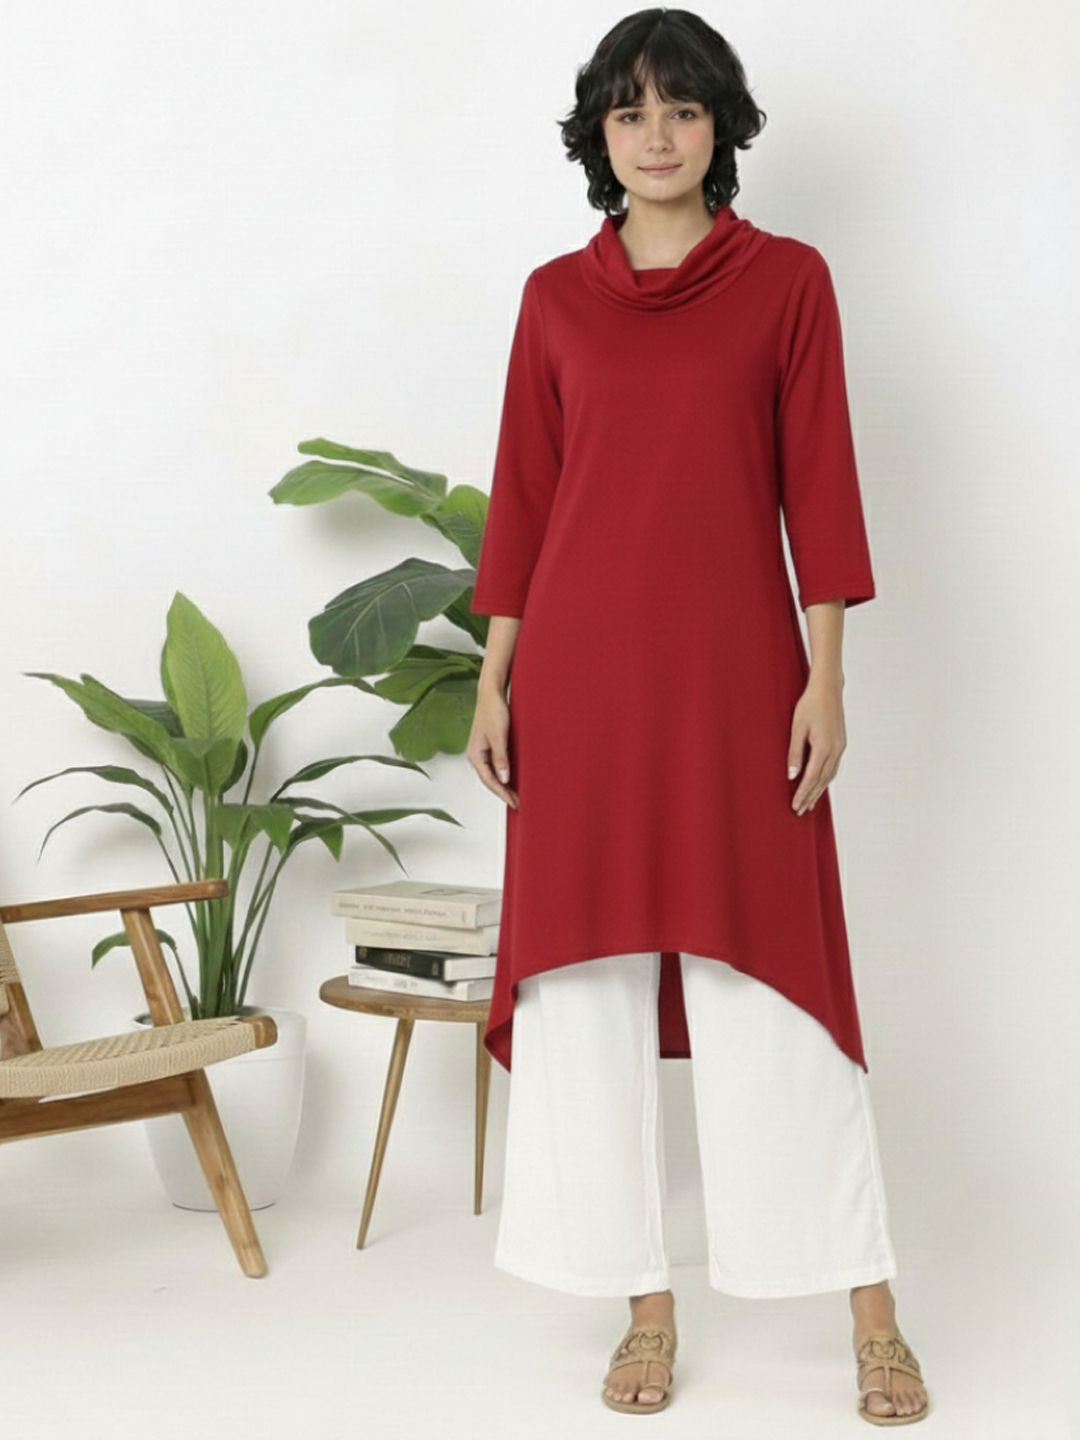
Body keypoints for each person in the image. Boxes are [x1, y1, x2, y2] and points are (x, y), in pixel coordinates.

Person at [466, 7, 930, 1425]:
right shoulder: (555, 298)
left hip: (736, 683)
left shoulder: (788, 282)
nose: (656, 135)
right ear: (599, 137)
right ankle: (644, 1310)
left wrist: (825, 676)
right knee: (586, 993)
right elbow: (526, 497)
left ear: (719, 123)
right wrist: (493, 680)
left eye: (679, 108)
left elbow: (821, 485)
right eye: (630, 112)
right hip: (580, 688)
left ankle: (871, 1309)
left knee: (774, 984)